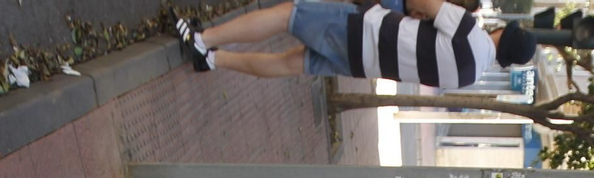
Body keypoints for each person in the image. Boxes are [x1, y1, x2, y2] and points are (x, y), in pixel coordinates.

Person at [173, 0, 537, 88]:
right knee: (289, 63)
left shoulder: (471, 30)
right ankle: (214, 60)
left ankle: (201, 38)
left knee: (290, 13)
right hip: (364, 66)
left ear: (505, 33)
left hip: (363, 31)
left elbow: (422, 4)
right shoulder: (471, 77)